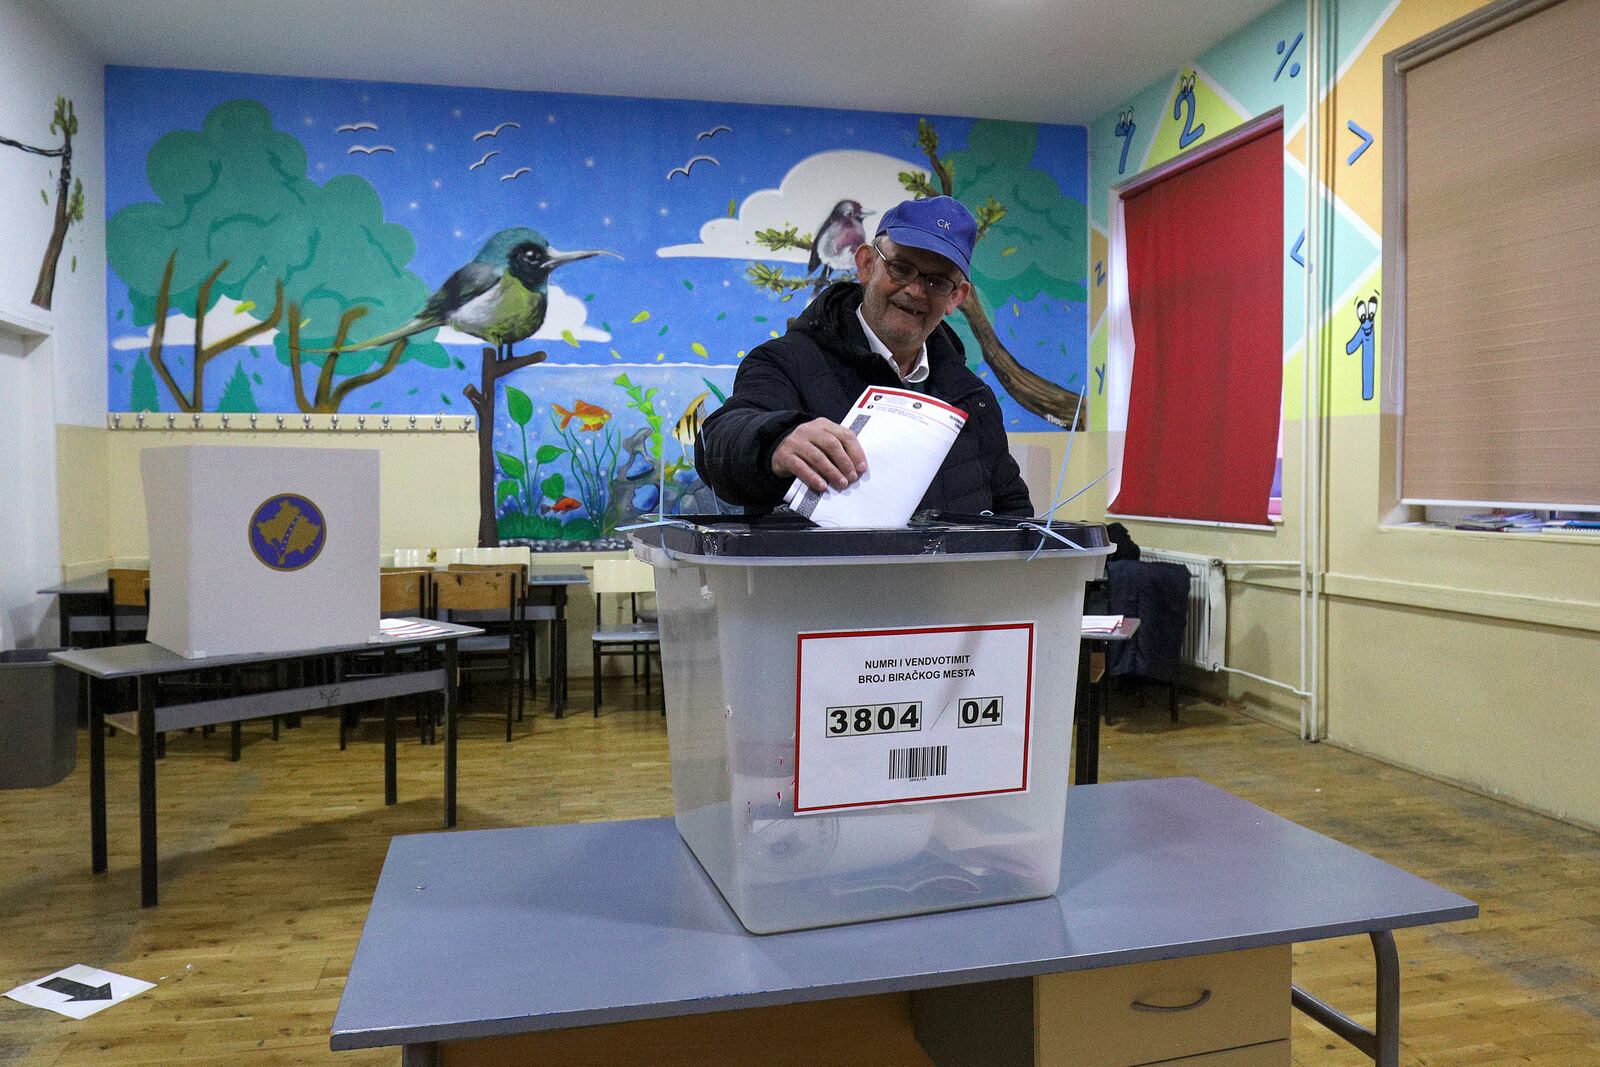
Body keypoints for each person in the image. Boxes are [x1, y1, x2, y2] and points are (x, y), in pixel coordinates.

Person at [695, 195, 1033, 517]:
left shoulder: (973, 400)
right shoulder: (783, 362)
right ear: (867, 264)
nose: (915, 290)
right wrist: (776, 441)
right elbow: (717, 447)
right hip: (814, 580)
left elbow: (1015, 514)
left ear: (955, 298)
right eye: (900, 268)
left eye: (936, 281)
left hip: (949, 580)